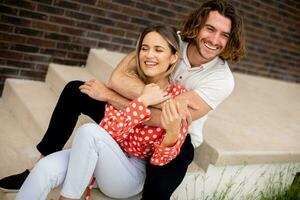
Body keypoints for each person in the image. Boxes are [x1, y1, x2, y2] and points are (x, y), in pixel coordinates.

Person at [0, 0, 245, 199]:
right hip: (136, 117)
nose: (214, 40)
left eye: (224, 35)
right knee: (77, 90)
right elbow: (117, 79)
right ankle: (38, 165)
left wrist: (115, 98)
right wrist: (145, 98)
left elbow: (169, 118)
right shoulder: (170, 40)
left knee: (162, 180)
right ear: (199, 25)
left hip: (176, 133)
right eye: (210, 29)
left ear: (230, 39)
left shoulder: (223, 80)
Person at [15, 24, 187, 200]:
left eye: (158, 50)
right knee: (43, 169)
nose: (149, 55)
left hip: (130, 176)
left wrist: (172, 134)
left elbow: (160, 163)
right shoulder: (129, 84)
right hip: (102, 154)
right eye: (145, 48)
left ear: (174, 57)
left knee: (90, 131)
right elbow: (110, 131)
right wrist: (143, 101)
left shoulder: (178, 97)